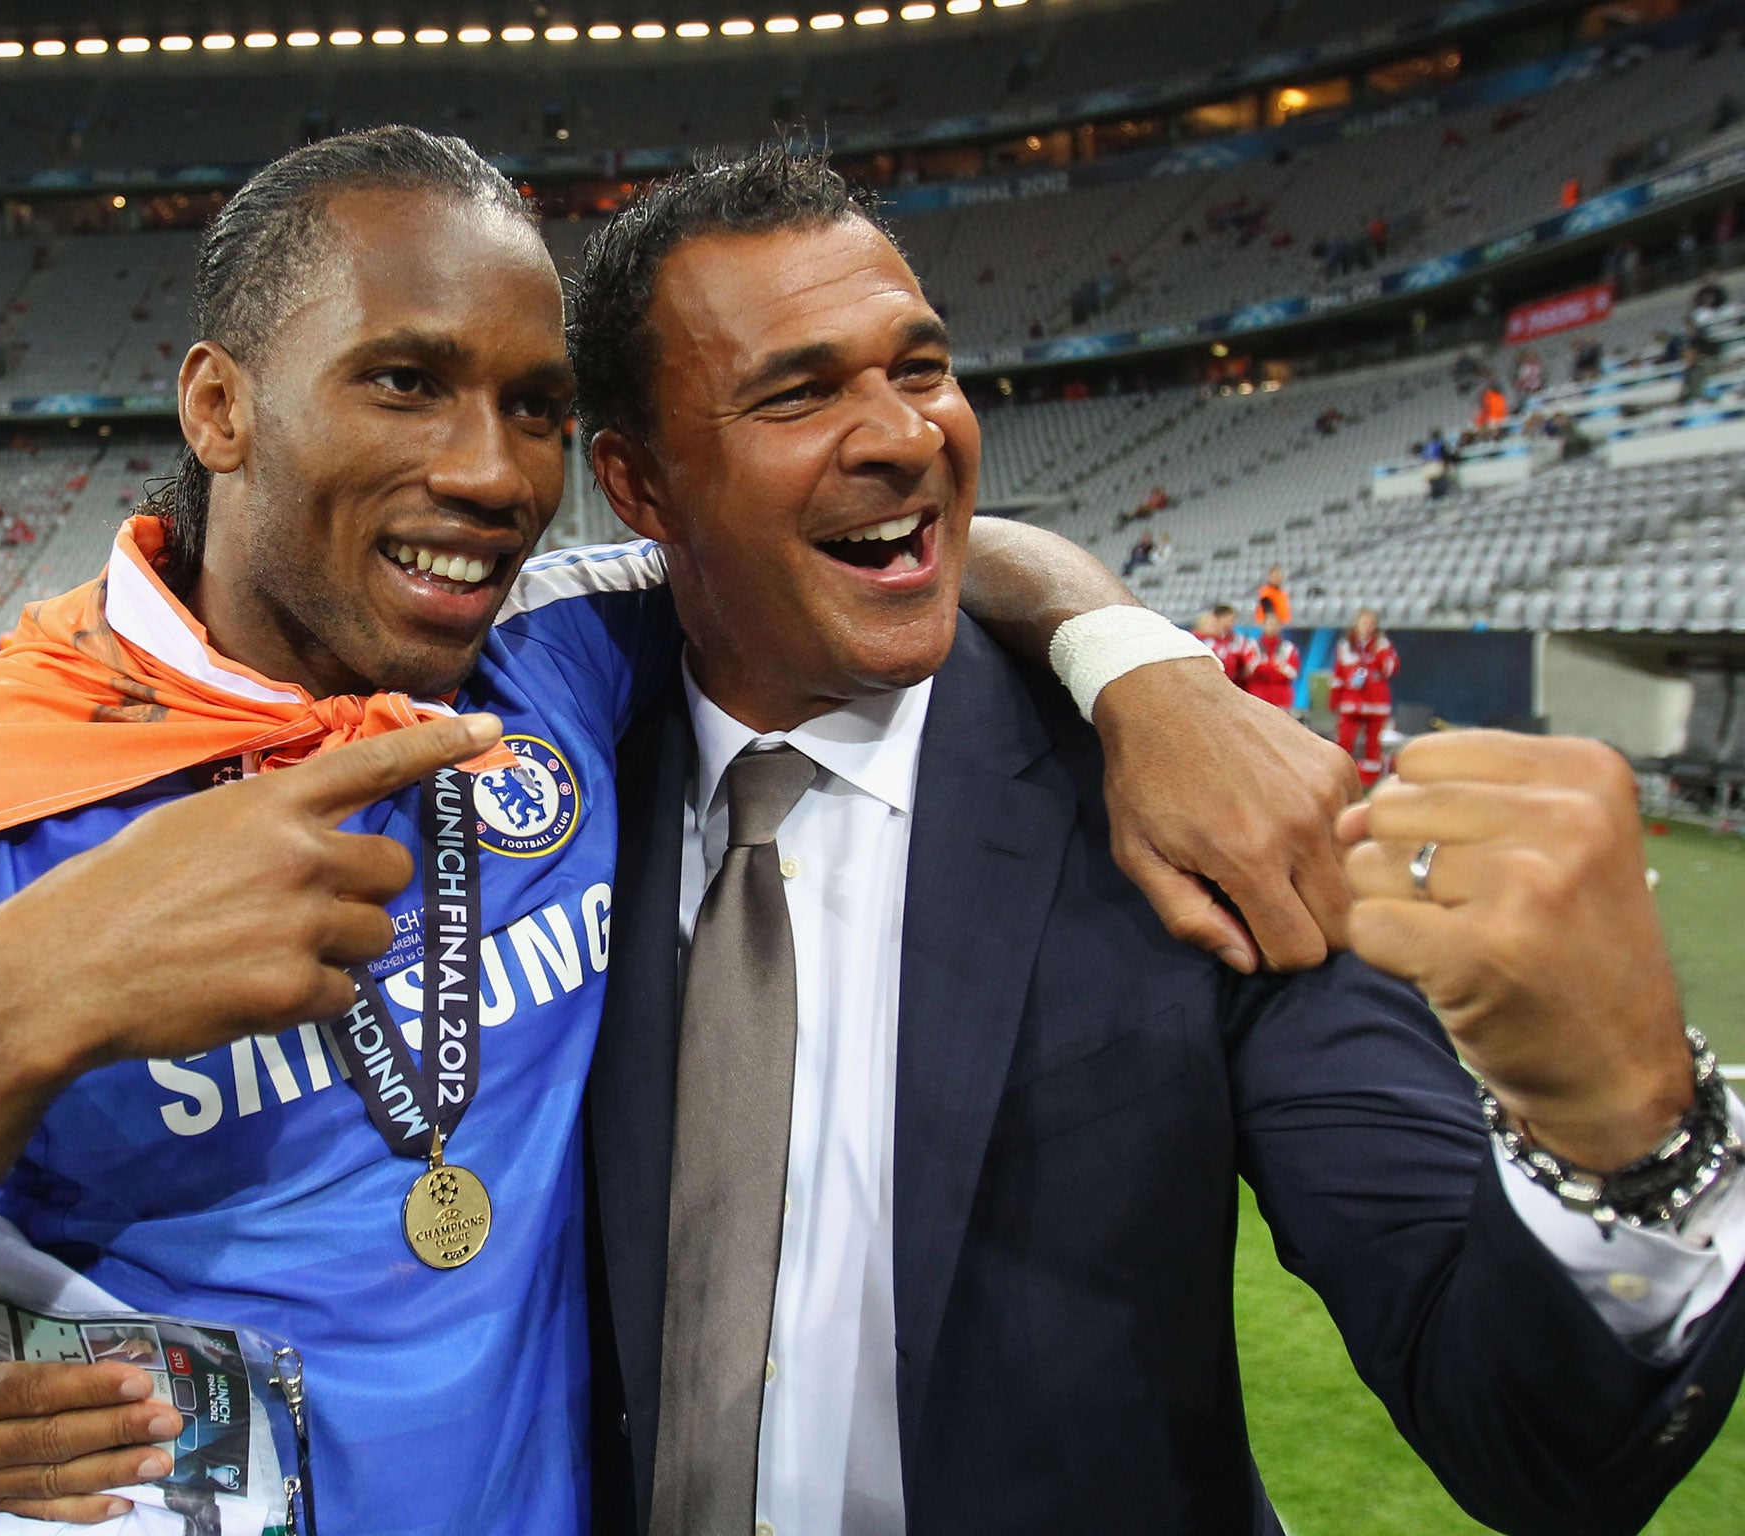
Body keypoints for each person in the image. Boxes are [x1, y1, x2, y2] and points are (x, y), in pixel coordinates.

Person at [0, 130, 1351, 1525]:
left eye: (536, 405)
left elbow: (877, 530)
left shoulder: (562, 654)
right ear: (221, 408)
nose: (492, 472)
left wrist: (1139, 667)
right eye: (404, 382)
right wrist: (20, 996)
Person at [555, 152, 1743, 1535]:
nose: (902, 434)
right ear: (636, 483)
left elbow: (1537, 1445)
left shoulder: (1197, 813)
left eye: (922, 367)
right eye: (800, 391)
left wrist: (1624, 1135)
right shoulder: (547, 794)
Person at [1333, 607, 1398, 787]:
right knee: (1344, 742)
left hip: (1376, 704)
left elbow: (1391, 669)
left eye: (1371, 622)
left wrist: (1379, 656)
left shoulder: (1382, 645)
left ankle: (1368, 783)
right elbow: (1338, 676)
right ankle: (1340, 778)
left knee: (1373, 746)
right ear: (1357, 623)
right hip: (1351, 703)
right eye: (1363, 621)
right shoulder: (1345, 646)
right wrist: (1334, 700)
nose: (1367, 626)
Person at [1244, 610, 1299, 710]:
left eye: (1276, 624)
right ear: (1263, 625)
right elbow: (1249, 669)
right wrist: (1276, 667)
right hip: (1258, 695)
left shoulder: (1288, 647)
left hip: (1281, 697)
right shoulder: (1252, 645)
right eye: (1270, 623)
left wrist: (1265, 667)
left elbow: (1293, 673)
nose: (1273, 627)